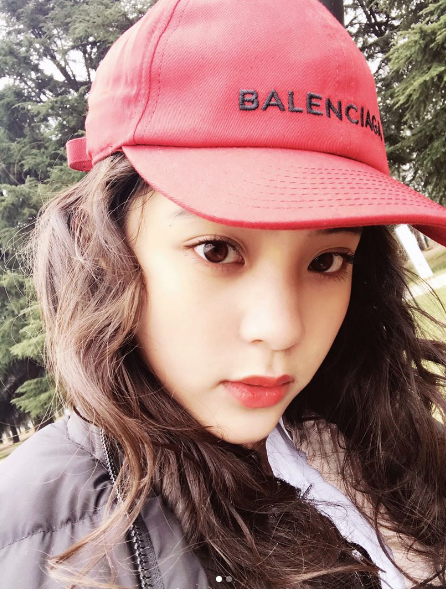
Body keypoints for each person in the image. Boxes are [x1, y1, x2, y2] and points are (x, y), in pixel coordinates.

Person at [1, 0, 446, 588]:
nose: (282, 328)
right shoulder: (46, 542)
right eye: (216, 250)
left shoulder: (382, 437)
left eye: (327, 261)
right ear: (104, 246)